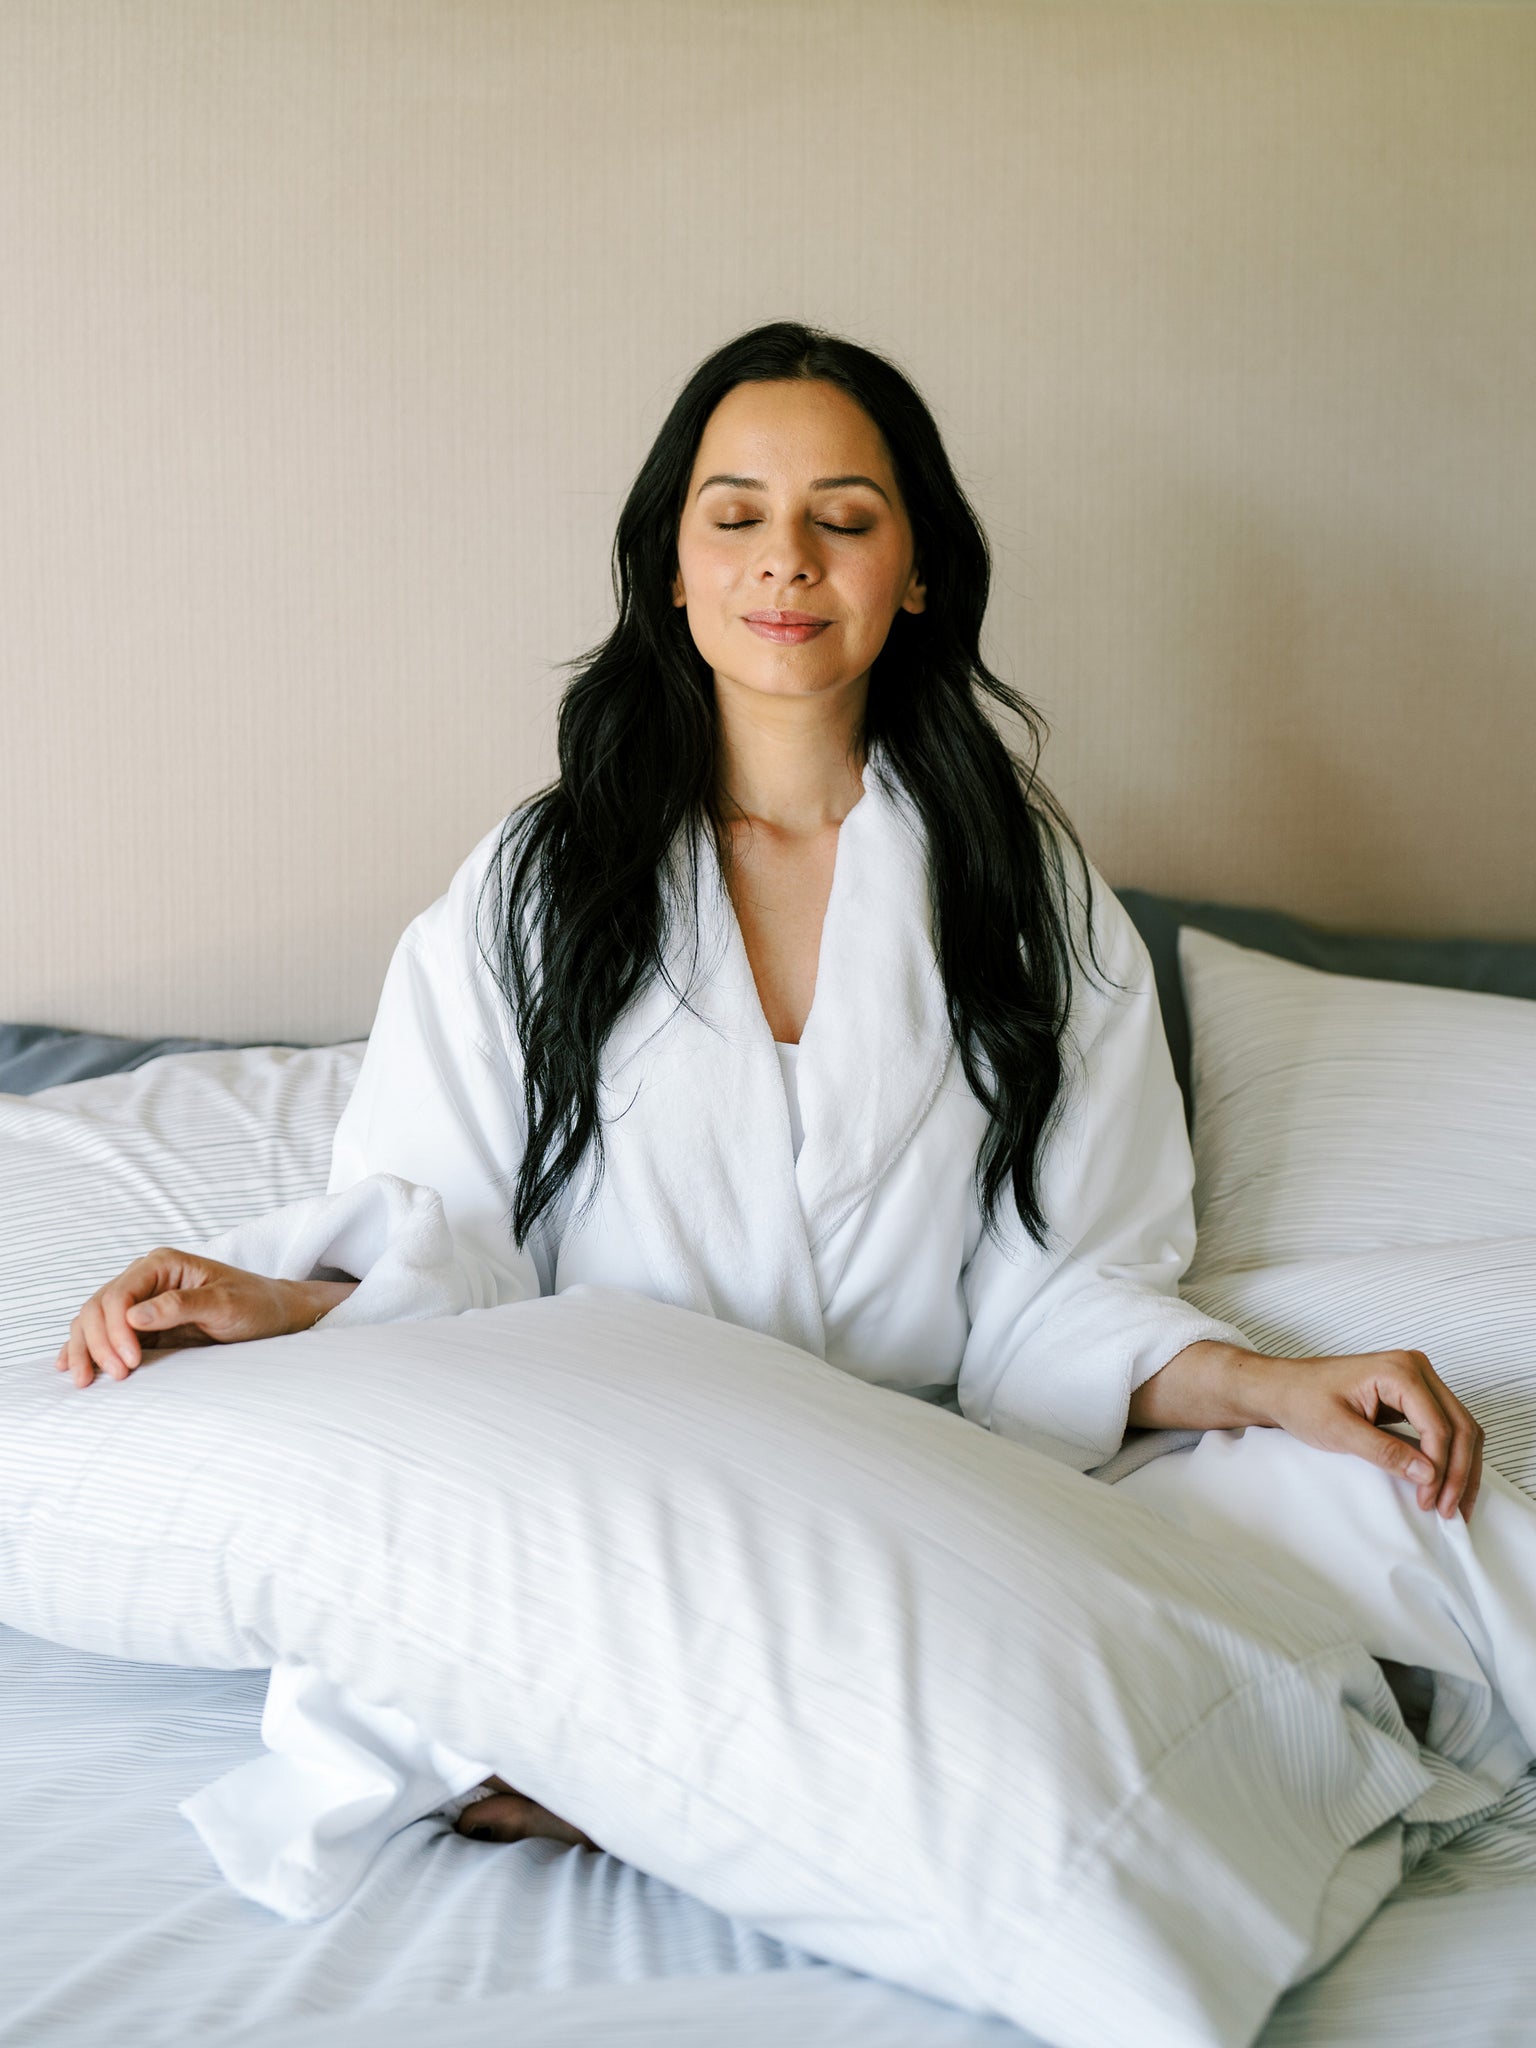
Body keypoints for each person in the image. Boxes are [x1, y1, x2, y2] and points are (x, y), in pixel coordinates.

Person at [59, 324, 1535, 1875]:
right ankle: (803, 1750)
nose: (788, 562)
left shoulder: (1027, 889)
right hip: (632, 1477)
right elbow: (450, 1237)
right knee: (403, 1614)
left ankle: (714, 1765)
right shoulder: (539, 883)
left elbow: (1067, 1293)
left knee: (1393, 1528)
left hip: (932, 1487)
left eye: (844, 517)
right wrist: (279, 1305)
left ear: (914, 575)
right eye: (735, 516)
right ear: (672, 572)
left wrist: (1273, 1388)